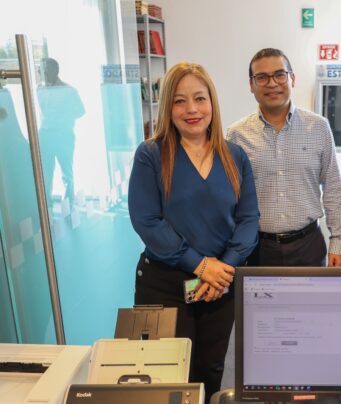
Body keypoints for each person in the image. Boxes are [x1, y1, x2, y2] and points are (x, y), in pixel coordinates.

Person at [128, 62, 259, 402]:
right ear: (167, 107)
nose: (192, 110)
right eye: (180, 101)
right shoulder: (151, 155)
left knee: (210, 369)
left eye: (200, 99)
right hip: (165, 282)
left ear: (212, 103)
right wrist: (201, 265)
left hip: (219, 285)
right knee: (165, 375)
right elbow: (147, 221)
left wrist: (223, 268)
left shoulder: (234, 156)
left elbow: (248, 219)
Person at [227, 48, 341, 267]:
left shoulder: (319, 127)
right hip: (256, 248)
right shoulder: (237, 134)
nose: (272, 83)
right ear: (251, 85)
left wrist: (337, 242)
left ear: (292, 78)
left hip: (308, 246)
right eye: (262, 77)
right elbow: (230, 197)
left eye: (279, 75)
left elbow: (333, 188)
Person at [37, 57, 85, 207]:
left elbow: (81, 111)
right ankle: (47, 204)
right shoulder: (39, 89)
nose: (42, 74)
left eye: (45, 70)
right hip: (45, 135)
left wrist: (63, 117)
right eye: (40, 71)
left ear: (55, 71)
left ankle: (69, 204)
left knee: (66, 171)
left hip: (63, 134)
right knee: (46, 171)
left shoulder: (68, 90)